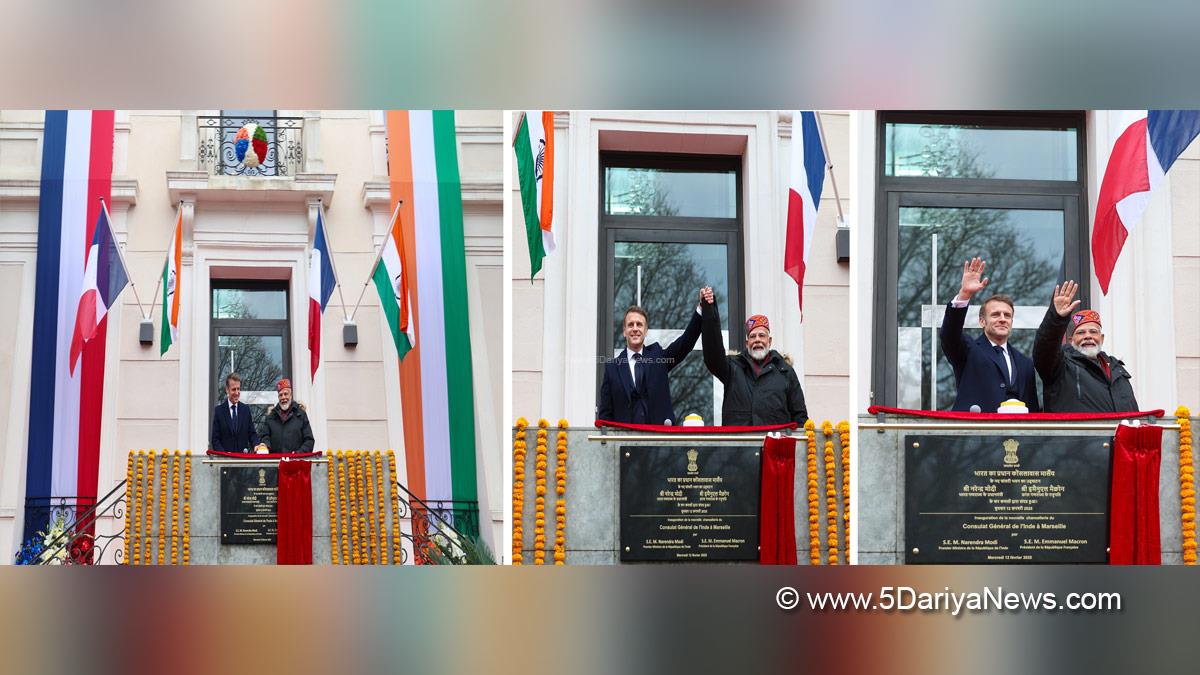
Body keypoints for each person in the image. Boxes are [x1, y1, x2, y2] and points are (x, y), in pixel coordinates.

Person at [938, 257, 1040, 412]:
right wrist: (964, 295)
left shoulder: (1025, 363)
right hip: (974, 433)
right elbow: (949, 334)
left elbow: (1032, 409)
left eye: (1007, 315)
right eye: (995, 315)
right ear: (982, 322)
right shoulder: (968, 350)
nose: (1002, 319)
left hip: (1016, 436)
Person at [698, 287, 807, 426]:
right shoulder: (733, 368)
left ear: (770, 341)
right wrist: (709, 309)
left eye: (762, 335)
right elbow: (713, 353)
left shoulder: (785, 372)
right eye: (752, 336)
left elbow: (800, 417)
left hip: (775, 447)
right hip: (740, 447)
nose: (757, 340)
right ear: (747, 342)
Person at [1033, 280, 1139, 413]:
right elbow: (1045, 348)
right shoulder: (1060, 366)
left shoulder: (1118, 372)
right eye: (1081, 332)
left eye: (1093, 332)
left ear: (1102, 338)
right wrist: (1056, 318)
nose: (1088, 336)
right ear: (1071, 340)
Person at [597, 294, 703, 425]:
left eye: (639, 325)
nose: (635, 328)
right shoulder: (612, 368)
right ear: (624, 331)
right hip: (625, 442)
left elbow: (685, 343)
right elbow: (605, 415)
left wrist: (701, 310)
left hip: (659, 441)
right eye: (630, 325)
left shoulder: (657, 356)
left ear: (646, 331)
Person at [258, 378, 316, 454]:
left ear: (291, 395)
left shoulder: (301, 414)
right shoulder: (271, 416)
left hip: (295, 463)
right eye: (280, 395)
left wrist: (298, 454)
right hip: (275, 463)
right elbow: (264, 436)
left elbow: (309, 440)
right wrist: (266, 447)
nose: (283, 397)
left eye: (286, 394)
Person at [210, 373, 260, 453]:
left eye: (238, 389)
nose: (237, 393)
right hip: (225, 462)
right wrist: (225, 455)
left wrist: (256, 445)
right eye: (234, 389)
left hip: (243, 461)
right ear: (227, 389)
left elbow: (252, 434)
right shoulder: (219, 411)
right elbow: (215, 440)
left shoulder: (246, 410)